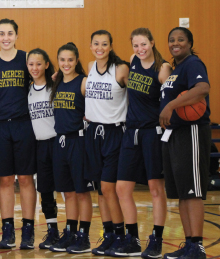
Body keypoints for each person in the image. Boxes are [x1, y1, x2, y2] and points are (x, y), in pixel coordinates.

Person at [115, 28, 172, 258]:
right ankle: (133, 239)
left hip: (153, 133)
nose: (140, 49)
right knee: (122, 188)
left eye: (144, 45)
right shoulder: (132, 62)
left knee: (156, 189)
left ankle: (156, 239)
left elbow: (170, 103)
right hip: (132, 132)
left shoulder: (163, 68)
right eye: (136, 45)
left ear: (152, 42)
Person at [0, 18, 35, 250]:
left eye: (10, 33)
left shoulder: (26, 59)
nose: (6, 37)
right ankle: (7, 230)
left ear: (16, 36)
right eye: (1, 33)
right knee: (4, 180)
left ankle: (28, 230)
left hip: (24, 124)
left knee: (25, 179)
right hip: (0, 126)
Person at [160, 27, 211, 259]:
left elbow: (202, 89)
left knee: (192, 192)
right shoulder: (175, 69)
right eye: (171, 40)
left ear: (190, 42)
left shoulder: (193, 63)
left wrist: (171, 106)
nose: (175, 43)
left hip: (191, 132)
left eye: (180, 39)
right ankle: (190, 244)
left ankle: (198, 246)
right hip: (174, 134)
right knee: (182, 193)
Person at [84, 30, 130, 256]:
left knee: (108, 187)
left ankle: (121, 235)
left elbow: (137, 96)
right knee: (100, 192)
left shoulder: (121, 68)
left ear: (111, 46)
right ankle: (108, 235)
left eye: (104, 44)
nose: (99, 47)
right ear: (91, 46)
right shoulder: (91, 65)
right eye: (96, 43)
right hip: (93, 132)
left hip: (115, 132)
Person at [47, 43, 94, 254]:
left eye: (70, 60)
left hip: (79, 141)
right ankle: (70, 232)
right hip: (60, 141)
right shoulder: (56, 82)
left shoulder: (83, 82)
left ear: (77, 61)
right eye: (62, 60)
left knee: (82, 191)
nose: (66, 64)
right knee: (68, 192)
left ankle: (83, 236)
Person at [25, 48, 59, 250]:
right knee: (45, 190)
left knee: (67, 189)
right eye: (31, 64)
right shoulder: (27, 89)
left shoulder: (56, 85)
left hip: (59, 142)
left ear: (47, 64)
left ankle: (73, 232)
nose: (34, 68)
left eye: (38, 64)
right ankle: (52, 231)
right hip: (40, 144)